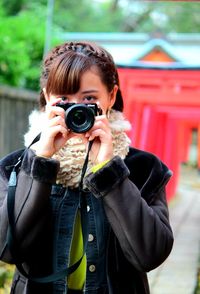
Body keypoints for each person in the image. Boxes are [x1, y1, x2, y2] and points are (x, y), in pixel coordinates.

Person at [0, 41, 174, 294]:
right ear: (48, 97)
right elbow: (6, 250)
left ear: (111, 96)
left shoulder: (144, 169)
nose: (76, 109)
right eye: (63, 99)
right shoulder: (14, 167)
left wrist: (108, 170)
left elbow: (150, 255)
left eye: (89, 99)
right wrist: (41, 162)